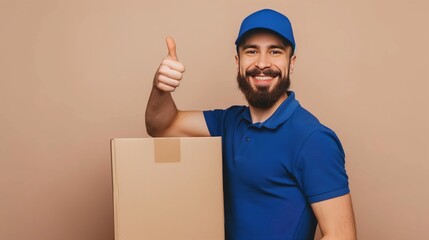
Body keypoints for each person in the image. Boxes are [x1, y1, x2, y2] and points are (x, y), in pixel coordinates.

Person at [145, 8, 356, 240]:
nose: (262, 63)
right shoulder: (228, 122)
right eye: (252, 51)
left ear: (291, 62)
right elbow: (162, 126)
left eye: (275, 51)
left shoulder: (313, 139)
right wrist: (160, 89)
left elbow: (341, 235)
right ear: (238, 61)